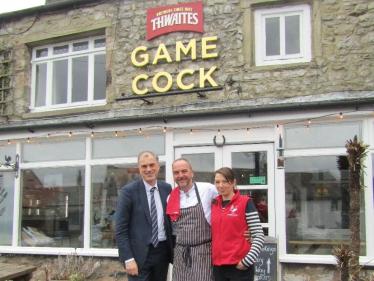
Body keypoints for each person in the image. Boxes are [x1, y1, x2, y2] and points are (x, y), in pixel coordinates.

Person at [115, 151, 174, 281]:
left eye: (152, 165)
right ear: (139, 169)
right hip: (138, 257)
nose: (148, 169)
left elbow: (170, 222)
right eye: (144, 166)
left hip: (162, 253)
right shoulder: (128, 192)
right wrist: (128, 258)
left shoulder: (167, 189)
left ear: (158, 166)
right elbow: (120, 229)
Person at [166, 158, 218, 281]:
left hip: (204, 252)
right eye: (176, 173)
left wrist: (242, 229)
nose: (180, 176)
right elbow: (174, 227)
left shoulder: (208, 190)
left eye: (184, 171)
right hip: (181, 254)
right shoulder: (170, 198)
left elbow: (227, 208)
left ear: (192, 172)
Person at [211, 167, 265, 281]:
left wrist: (247, 261)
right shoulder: (214, 204)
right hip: (218, 267)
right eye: (217, 182)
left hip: (239, 266)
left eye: (225, 181)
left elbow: (259, 236)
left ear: (234, 182)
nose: (221, 185)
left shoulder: (245, 202)